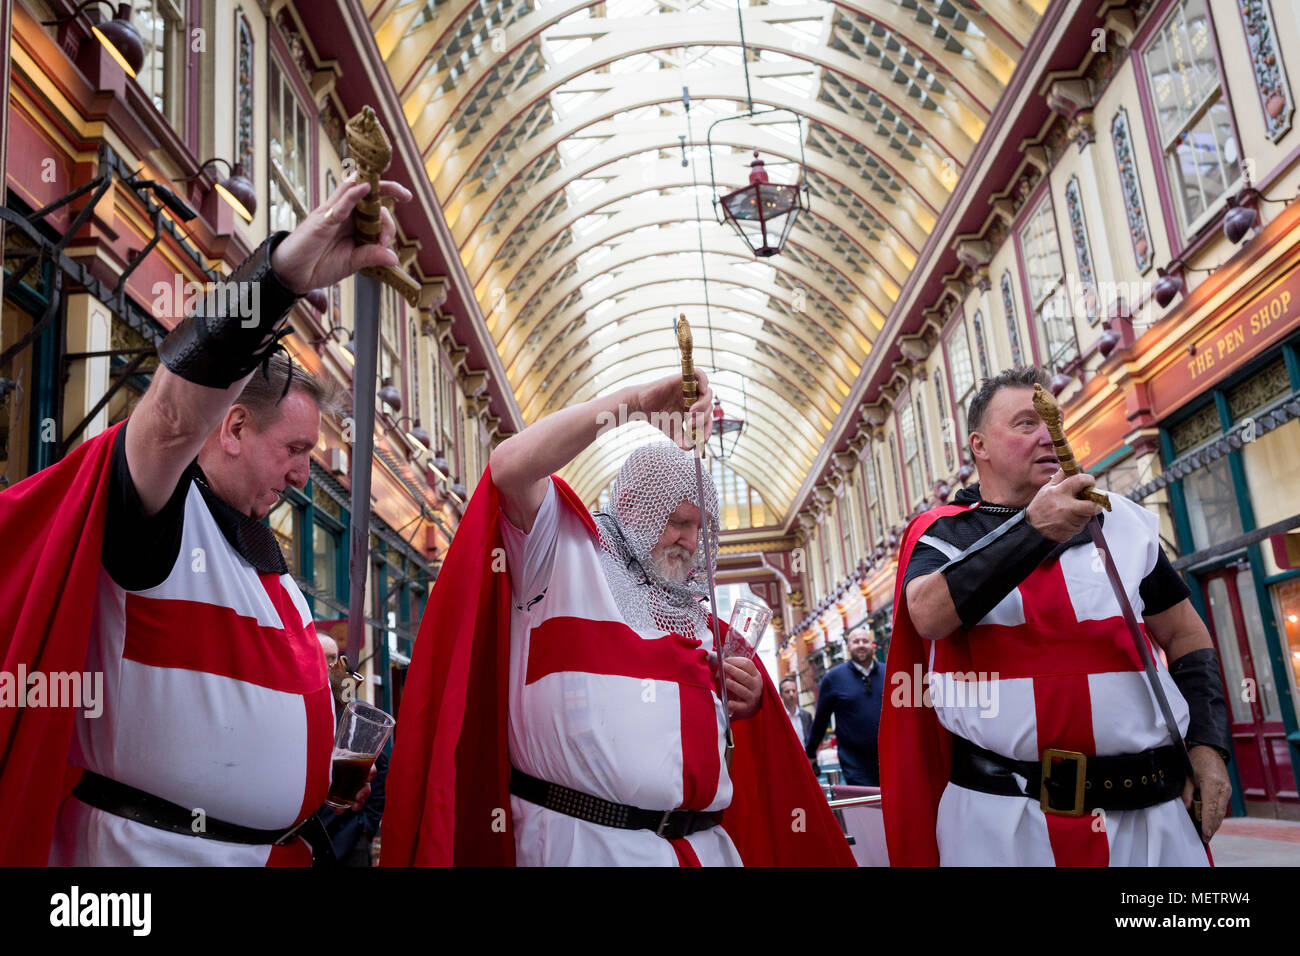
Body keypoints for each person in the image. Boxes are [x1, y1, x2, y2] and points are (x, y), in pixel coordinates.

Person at [0, 169, 409, 864]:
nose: (305, 474)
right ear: (232, 428)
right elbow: (164, 417)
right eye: (295, 449)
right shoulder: (160, 516)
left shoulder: (265, 564)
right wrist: (280, 276)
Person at [381, 375, 856, 866]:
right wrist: (632, 404)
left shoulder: (697, 618)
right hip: (587, 846)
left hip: (704, 849)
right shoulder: (560, 552)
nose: (691, 542)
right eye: (678, 520)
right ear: (631, 504)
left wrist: (747, 695)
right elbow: (508, 467)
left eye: (700, 527)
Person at [880, 366, 1232, 866]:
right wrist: (1034, 528)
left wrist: (1208, 745)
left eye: (1055, 421)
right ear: (979, 445)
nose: (1049, 434)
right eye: (1027, 423)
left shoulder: (1121, 522)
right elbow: (930, 614)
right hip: (1009, 825)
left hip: (1152, 817)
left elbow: (1184, 634)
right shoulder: (943, 534)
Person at [316, 634, 387, 867]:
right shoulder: (296, 707)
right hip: (308, 835)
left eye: (332, 658)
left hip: (348, 839)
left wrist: (366, 825)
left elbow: (382, 767)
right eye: (321, 657)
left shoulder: (358, 713)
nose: (328, 665)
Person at [805, 627, 885, 786]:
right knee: (865, 807)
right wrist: (810, 752)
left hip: (888, 756)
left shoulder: (889, 673)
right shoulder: (833, 678)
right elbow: (821, 719)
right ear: (848, 647)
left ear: (873, 645)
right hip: (854, 762)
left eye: (865, 641)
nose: (861, 645)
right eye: (856, 642)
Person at [779, 676, 812, 750]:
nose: (791, 694)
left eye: (793, 690)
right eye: (787, 691)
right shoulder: (777, 718)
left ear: (797, 692)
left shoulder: (807, 716)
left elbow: (811, 740)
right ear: (780, 695)